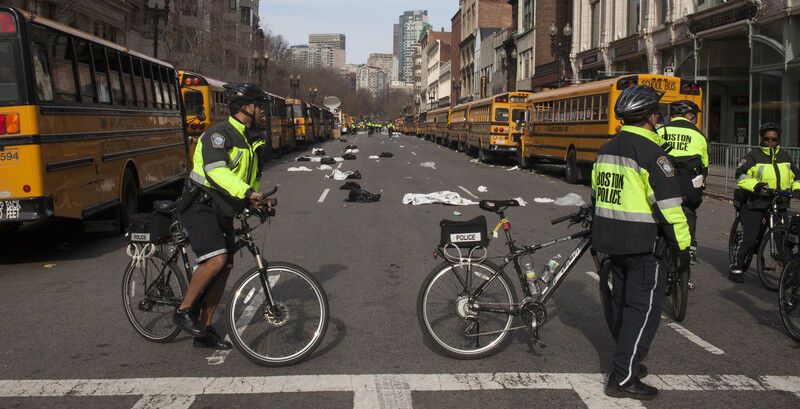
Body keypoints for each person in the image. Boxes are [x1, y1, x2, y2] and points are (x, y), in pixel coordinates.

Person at [592, 85, 691, 400]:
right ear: (650, 117)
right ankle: (622, 378)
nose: (658, 118)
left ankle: (627, 363)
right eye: (657, 114)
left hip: (611, 242)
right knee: (642, 312)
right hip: (643, 246)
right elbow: (671, 210)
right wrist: (683, 249)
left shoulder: (606, 148)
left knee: (623, 307)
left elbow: (597, 194)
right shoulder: (653, 155)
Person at [173, 82, 272, 350]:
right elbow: (217, 171)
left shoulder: (252, 139)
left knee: (225, 267)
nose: (263, 111)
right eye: (259, 106)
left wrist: (257, 201)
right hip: (200, 204)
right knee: (216, 258)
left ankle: (204, 330)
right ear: (245, 108)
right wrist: (248, 193)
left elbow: (248, 178)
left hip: (223, 207)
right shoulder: (218, 135)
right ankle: (184, 310)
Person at [729, 122, 800, 283]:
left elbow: (796, 177)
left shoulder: (785, 156)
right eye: (767, 138)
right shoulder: (753, 156)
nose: (770, 141)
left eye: (773, 139)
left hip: (779, 202)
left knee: (783, 239)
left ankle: (787, 271)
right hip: (756, 202)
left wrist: (797, 189)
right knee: (749, 238)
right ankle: (736, 266)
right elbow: (740, 175)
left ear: (778, 139)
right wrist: (756, 186)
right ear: (762, 138)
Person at [657, 100, 707, 271]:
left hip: (663, 185)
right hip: (687, 187)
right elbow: (704, 167)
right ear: (690, 116)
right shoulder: (699, 135)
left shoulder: (660, 130)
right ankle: (690, 249)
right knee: (689, 211)